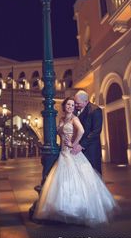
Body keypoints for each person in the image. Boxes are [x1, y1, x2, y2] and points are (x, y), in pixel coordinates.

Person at [33, 97, 118, 226]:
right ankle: (63, 209)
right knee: (61, 182)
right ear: (64, 106)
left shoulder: (74, 118)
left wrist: (74, 143)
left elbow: (82, 131)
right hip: (62, 152)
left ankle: (77, 210)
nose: (71, 107)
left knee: (74, 179)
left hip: (71, 152)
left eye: (73, 105)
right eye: (68, 104)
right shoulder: (62, 119)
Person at [74, 90, 102, 175]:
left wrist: (82, 145)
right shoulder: (75, 110)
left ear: (86, 101)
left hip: (91, 148)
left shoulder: (96, 110)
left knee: (93, 173)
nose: (75, 105)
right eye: (75, 103)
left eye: (78, 103)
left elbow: (96, 131)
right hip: (78, 148)